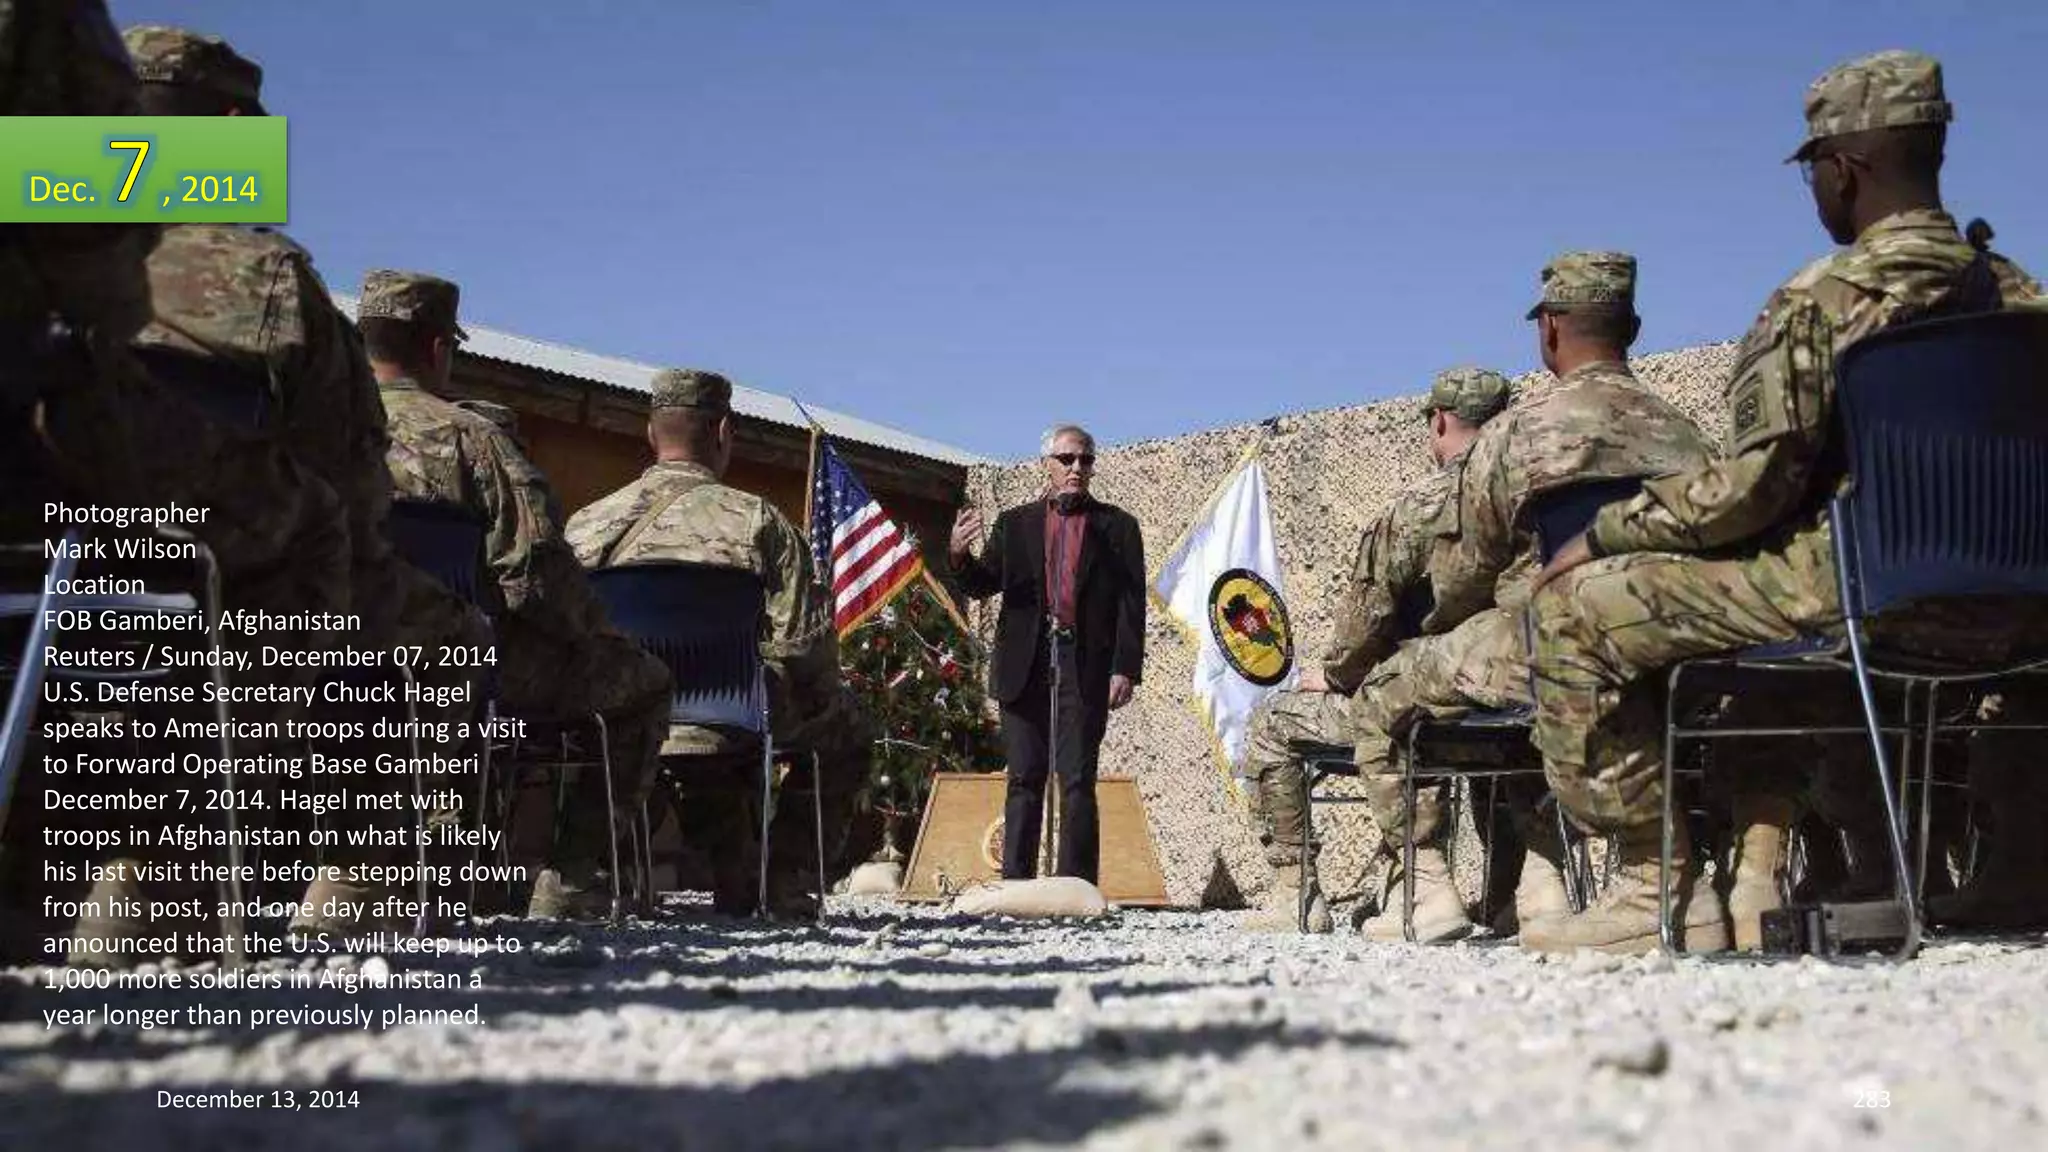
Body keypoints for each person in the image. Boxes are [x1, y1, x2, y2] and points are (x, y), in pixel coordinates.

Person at [1529, 51, 2048, 953]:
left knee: (1575, 613)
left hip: (1859, 585)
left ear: (1842, 168)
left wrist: (1607, 532)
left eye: (1814, 169)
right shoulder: (2026, 301)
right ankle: (2023, 871)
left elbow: (1754, 492)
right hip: (2025, 607)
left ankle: (1659, 890)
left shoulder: (1818, 302)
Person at [121, 25, 494, 942]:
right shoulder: (265, 277)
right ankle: (351, 890)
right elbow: (351, 484)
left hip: (32, 565)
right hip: (202, 581)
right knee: (372, 586)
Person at [1352, 252, 1715, 945]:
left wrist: (1438, 632)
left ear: (1548, 331)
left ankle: (1426, 889)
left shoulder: (1522, 433)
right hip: (1670, 641)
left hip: (1545, 644)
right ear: (1632, 327)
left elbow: (1467, 572)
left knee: (1384, 692)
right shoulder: (1686, 432)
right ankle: (1546, 882)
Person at [360, 270, 672, 921]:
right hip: (453, 669)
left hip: (295, 660)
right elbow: (536, 577)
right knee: (642, 683)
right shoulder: (475, 441)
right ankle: (568, 881)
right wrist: (595, 635)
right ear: (441, 348)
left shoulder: (303, 431)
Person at [564, 368, 875, 918]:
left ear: (650, 433)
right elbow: (804, 646)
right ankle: (783, 881)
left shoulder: (587, 524)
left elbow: (564, 631)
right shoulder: (759, 522)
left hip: (612, 715)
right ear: (724, 432)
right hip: (731, 708)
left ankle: (579, 871)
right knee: (843, 722)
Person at [1236, 367, 1511, 934]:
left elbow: (1367, 618)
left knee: (1272, 722)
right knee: (1500, 747)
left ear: (1438, 421)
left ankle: (1298, 897)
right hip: (1513, 703)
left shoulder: (1419, 508)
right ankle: (1518, 894)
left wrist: (1337, 674)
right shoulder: (1529, 501)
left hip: (1421, 705)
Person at [949, 424, 1145, 883]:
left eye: (1086, 460)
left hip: (1084, 665)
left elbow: (1131, 604)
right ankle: (1016, 886)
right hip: (1025, 663)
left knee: (1077, 779)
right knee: (1024, 776)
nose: (1077, 468)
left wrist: (1125, 668)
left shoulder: (1117, 528)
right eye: (1067, 460)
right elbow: (982, 584)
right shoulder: (1015, 525)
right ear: (1048, 465)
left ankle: (1074, 886)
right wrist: (959, 556)